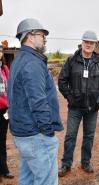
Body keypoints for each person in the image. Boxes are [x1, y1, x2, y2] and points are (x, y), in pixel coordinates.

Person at [8, 18, 63, 185]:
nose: (45, 38)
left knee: (28, 178)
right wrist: (47, 132)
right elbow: (38, 102)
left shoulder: (21, 59)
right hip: (35, 135)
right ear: (30, 36)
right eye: (41, 35)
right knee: (46, 181)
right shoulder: (32, 62)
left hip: (24, 133)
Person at [58, 30, 99, 176]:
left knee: (89, 136)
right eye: (86, 42)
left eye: (91, 42)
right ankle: (66, 164)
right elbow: (62, 81)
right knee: (70, 136)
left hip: (92, 108)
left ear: (94, 45)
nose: (88, 45)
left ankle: (85, 162)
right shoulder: (72, 61)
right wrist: (70, 97)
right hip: (75, 108)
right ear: (82, 43)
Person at [0, 44, 14, 180]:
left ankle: (4, 169)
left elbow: (10, 87)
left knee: (2, 140)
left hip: (4, 110)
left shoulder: (4, 69)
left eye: (0, 50)